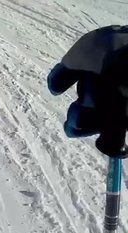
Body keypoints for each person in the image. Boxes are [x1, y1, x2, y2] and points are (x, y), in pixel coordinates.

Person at [47, 25, 128, 157]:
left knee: (77, 126)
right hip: (104, 116)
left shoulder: (96, 39)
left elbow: (55, 86)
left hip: (89, 116)